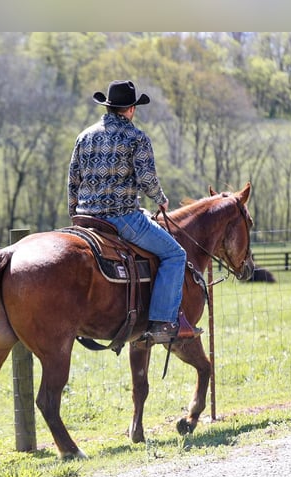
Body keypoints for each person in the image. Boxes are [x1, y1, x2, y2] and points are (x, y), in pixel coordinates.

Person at [67, 79, 202, 344]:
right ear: (131, 109)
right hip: (122, 218)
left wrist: (75, 213)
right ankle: (162, 322)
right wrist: (161, 200)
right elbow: (147, 179)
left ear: (108, 107)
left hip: (85, 219)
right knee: (175, 254)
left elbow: (73, 180)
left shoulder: (84, 136)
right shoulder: (136, 137)